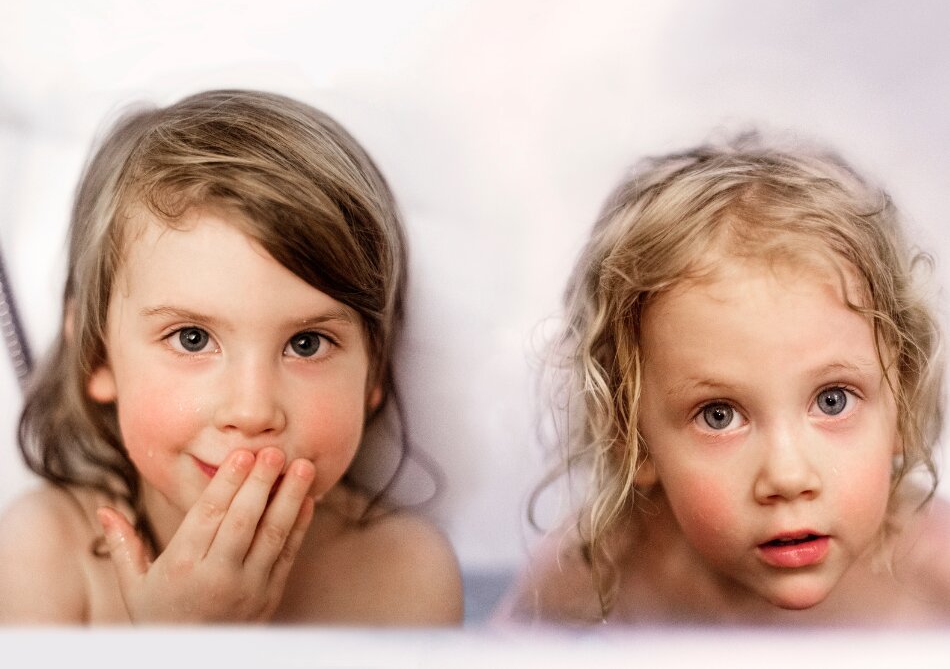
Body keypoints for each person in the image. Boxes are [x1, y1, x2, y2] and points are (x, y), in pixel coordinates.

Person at [0, 90, 462, 624]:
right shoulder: (45, 557)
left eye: (306, 343)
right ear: (96, 355)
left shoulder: (401, 575)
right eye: (192, 338)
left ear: (374, 371)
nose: (252, 410)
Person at [498, 133, 950, 626]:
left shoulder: (934, 571)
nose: (788, 477)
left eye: (834, 400)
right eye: (719, 415)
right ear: (633, 439)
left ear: (901, 406)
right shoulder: (595, 572)